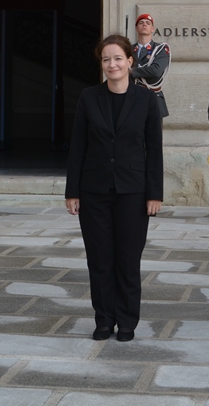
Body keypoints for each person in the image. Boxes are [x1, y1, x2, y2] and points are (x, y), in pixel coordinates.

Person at [66, 34, 164, 342]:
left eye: (118, 58)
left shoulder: (146, 99)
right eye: (106, 59)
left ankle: (127, 321)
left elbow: (154, 149)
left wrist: (155, 194)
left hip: (133, 191)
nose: (112, 64)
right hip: (93, 190)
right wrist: (72, 191)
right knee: (99, 259)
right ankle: (104, 320)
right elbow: (78, 146)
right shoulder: (89, 97)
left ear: (130, 62)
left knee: (127, 259)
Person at [132, 13, 170, 118]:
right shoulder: (128, 49)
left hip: (153, 98)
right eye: (141, 23)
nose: (144, 25)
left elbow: (156, 71)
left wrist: (132, 71)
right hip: (132, 98)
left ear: (152, 29)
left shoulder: (160, 49)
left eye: (148, 23)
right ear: (136, 28)